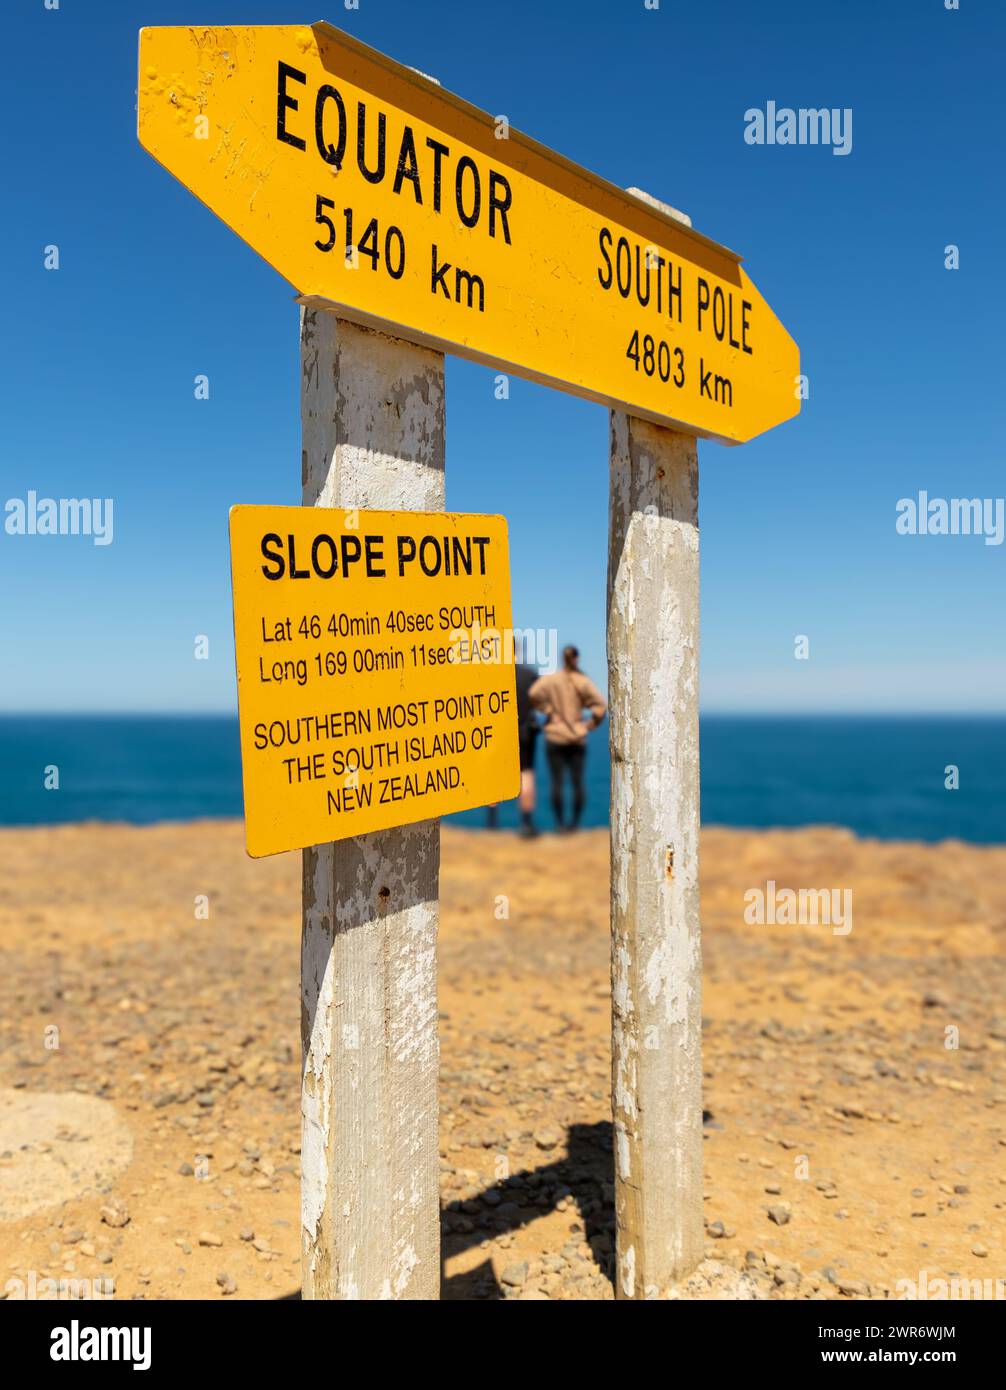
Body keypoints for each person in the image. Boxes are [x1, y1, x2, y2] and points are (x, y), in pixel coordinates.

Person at [529, 646, 606, 832]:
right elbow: (601, 705)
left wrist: (548, 711)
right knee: (577, 782)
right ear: (577, 659)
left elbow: (533, 693)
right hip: (577, 737)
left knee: (557, 782)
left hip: (554, 736)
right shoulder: (583, 681)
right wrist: (589, 725)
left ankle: (560, 824)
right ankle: (574, 824)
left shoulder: (552, 680)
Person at [514, 662, 541, 838]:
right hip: (526, 732)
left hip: (500, 732)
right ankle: (526, 823)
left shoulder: (493, 674)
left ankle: (491, 824)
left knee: (493, 776)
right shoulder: (529, 674)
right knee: (527, 775)